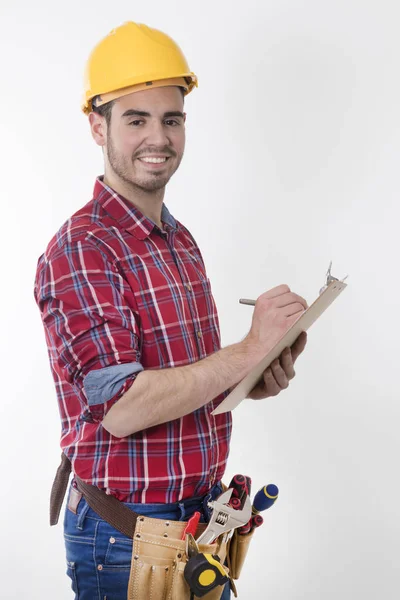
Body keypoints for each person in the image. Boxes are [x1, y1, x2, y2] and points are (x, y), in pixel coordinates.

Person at [34, 20, 308, 600]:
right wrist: (249, 348)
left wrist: (253, 376)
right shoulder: (84, 249)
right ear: (96, 125)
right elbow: (123, 407)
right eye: (136, 119)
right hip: (125, 537)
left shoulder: (177, 239)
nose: (158, 137)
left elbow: (184, 381)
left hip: (197, 523)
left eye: (172, 119)